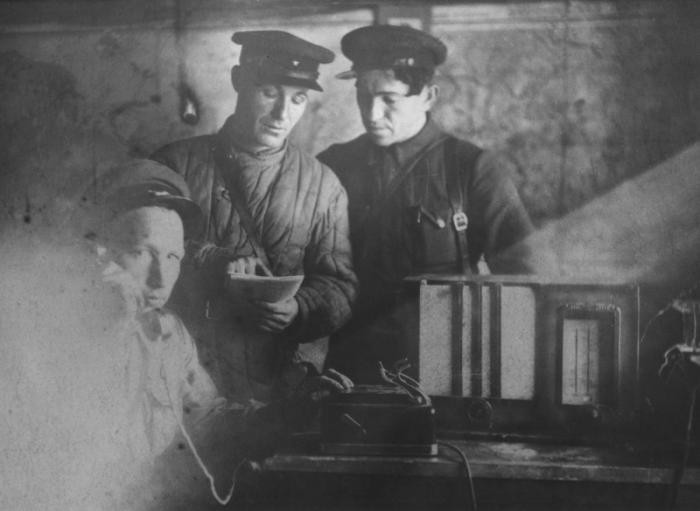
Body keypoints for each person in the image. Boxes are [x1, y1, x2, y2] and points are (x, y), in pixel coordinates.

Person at [317, 25, 536, 382]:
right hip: (351, 370)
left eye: (389, 99)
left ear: (429, 96)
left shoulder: (470, 168)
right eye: (363, 97)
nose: (372, 114)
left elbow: (526, 280)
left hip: (444, 368)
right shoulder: (334, 165)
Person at [151, 31, 357, 404]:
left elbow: (339, 286)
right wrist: (215, 262)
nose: (283, 113)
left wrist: (298, 308)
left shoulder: (323, 185)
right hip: (187, 375)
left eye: (297, 99)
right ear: (238, 80)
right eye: (269, 93)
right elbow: (136, 253)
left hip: (277, 382)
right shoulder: (173, 165)